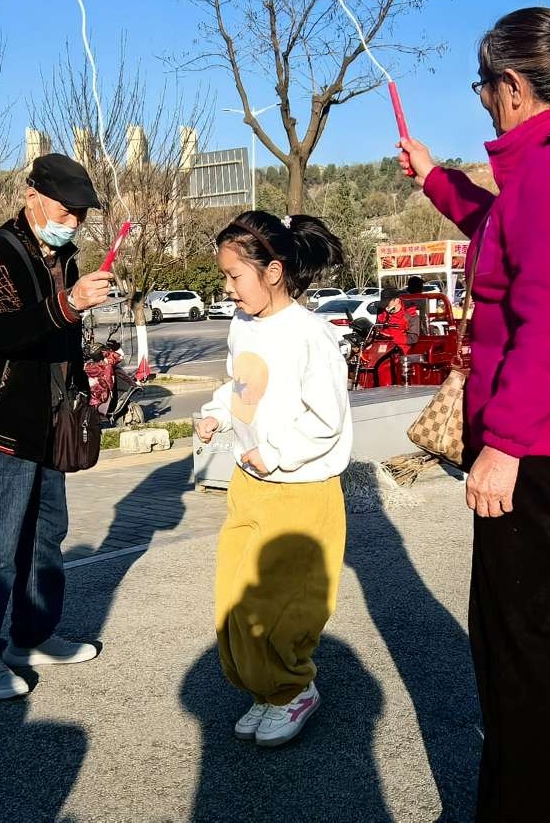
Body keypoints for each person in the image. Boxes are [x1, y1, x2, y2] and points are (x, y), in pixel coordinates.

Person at [397, 6, 550, 823]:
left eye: (483, 87)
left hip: (538, 445)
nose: (481, 102)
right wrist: (435, 177)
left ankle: (530, 805)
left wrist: (501, 448)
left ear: (512, 85)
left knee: (514, 639)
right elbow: (501, 232)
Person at [0, 153, 117, 700]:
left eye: (81, 216)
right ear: (32, 196)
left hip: (47, 421)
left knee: (47, 532)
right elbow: (1, 336)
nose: (72, 223)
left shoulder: (63, 257)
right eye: (66, 212)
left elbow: (56, 338)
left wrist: (86, 371)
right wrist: (69, 304)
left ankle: (33, 635)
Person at [194, 210, 352, 748]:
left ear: (274, 271)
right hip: (249, 487)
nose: (228, 289)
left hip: (301, 492)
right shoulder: (244, 326)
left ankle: (293, 691)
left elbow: (328, 419)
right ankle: (265, 691)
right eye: (225, 277)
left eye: (235, 277)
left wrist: (278, 454)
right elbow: (242, 385)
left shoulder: (311, 334)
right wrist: (218, 410)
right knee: (236, 600)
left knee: (282, 608)